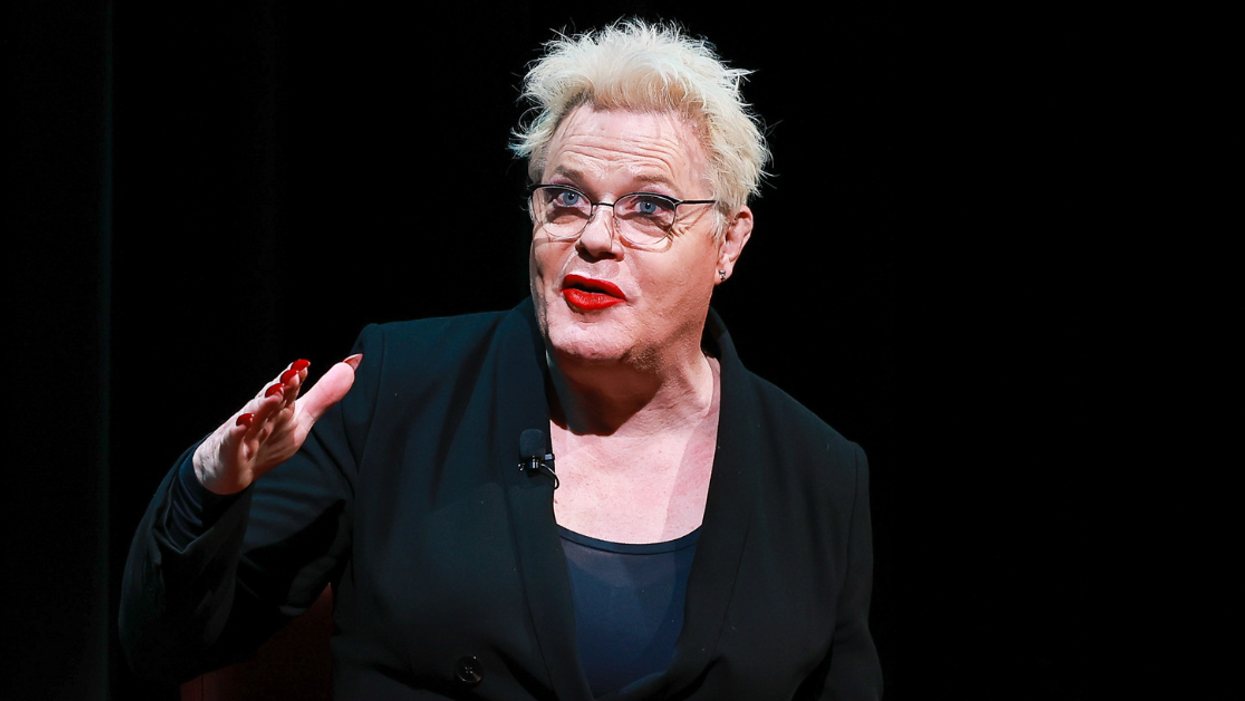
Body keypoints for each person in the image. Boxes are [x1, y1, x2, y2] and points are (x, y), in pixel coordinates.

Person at [121, 19, 882, 700]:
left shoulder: (819, 474)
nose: (594, 237)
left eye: (649, 207)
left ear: (728, 242)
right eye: (567, 198)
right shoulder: (397, 391)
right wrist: (207, 487)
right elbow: (166, 645)